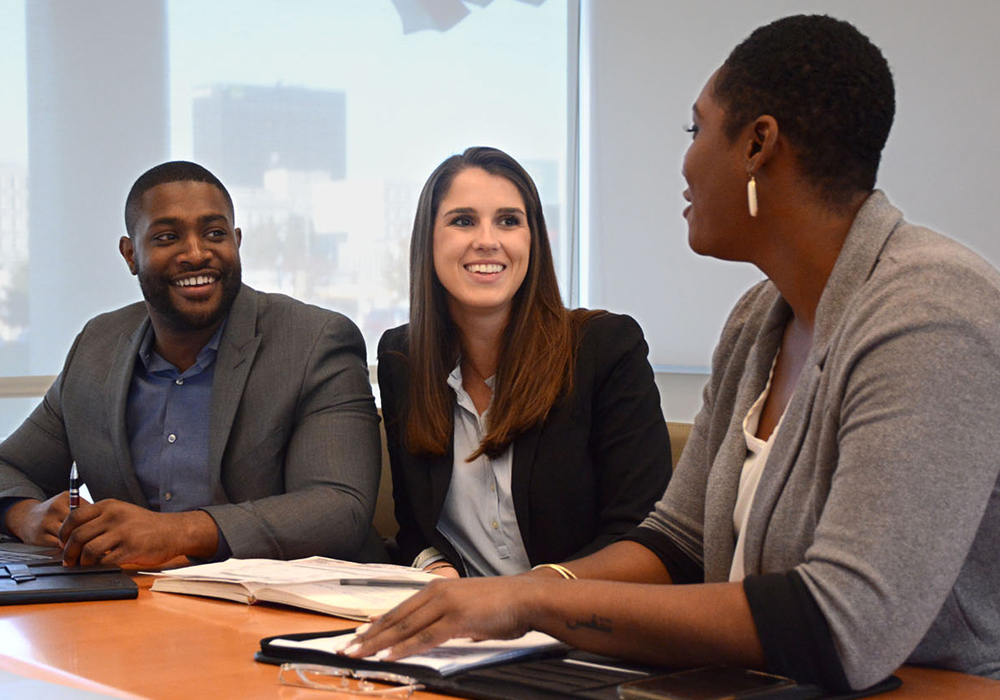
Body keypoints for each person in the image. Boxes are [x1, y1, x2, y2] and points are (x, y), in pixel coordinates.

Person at [348, 15, 1000, 690]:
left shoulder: (932, 311)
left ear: (757, 145)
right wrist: (524, 590)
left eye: (696, 131)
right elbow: (677, 541)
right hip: (757, 682)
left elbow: (843, 624)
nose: (684, 165)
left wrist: (533, 601)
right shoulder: (758, 318)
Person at [0, 161, 384, 566]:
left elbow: (339, 508)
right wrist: (25, 516)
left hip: (282, 598)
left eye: (215, 233)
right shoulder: (98, 346)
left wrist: (175, 532)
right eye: (167, 237)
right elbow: (8, 466)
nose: (197, 254)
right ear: (130, 254)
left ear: (237, 241)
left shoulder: (314, 340)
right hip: (133, 596)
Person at [378, 146, 671, 577]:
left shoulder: (606, 349)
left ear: (532, 239)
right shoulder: (402, 358)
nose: (487, 240)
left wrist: (520, 600)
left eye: (508, 221)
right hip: (456, 613)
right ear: (428, 239)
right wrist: (435, 567)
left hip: (582, 613)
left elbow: (642, 535)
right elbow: (414, 528)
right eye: (463, 221)